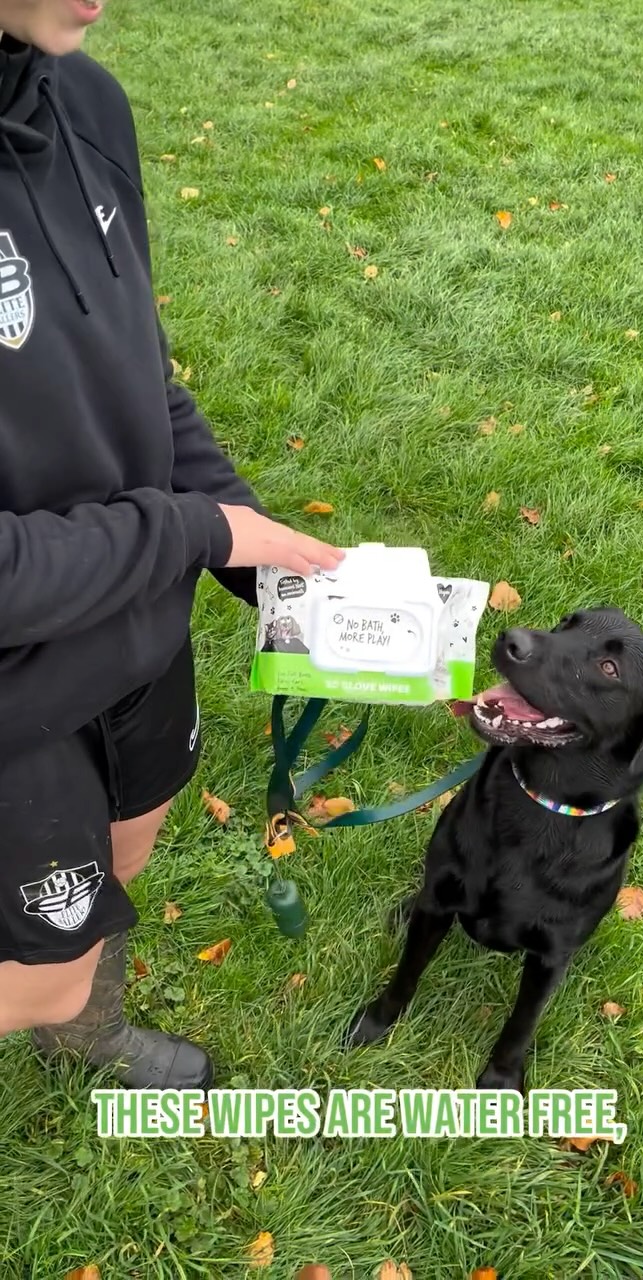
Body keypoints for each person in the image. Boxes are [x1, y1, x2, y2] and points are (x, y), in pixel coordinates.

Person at [0, 0, 343, 1089]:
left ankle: (90, 1033)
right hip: (16, 693)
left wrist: (290, 582)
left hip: (141, 632)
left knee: (126, 849)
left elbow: (144, 383)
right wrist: (198, 530)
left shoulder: (87, 98)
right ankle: (59, 1010)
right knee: (37, 971)